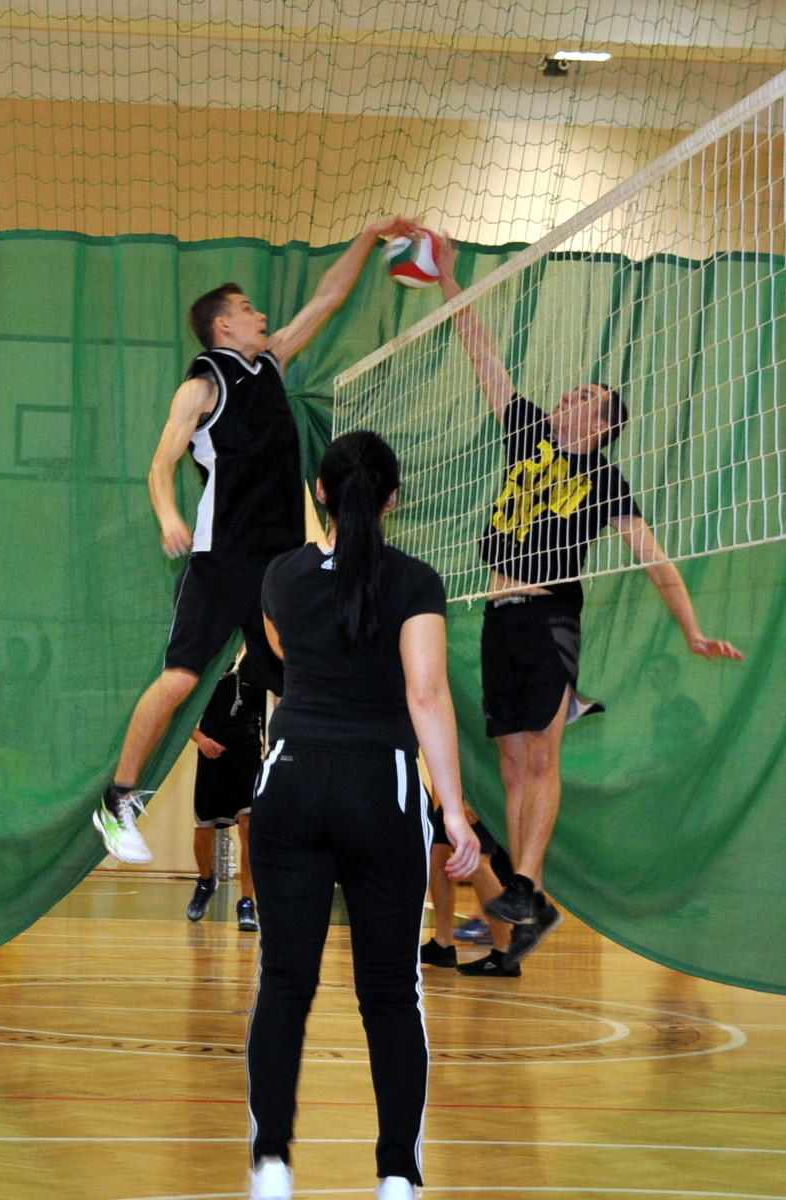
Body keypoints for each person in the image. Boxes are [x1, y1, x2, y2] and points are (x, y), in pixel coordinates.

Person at [433, 234, 744, 965]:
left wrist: (692, 630)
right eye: (571, 391)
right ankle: (528, 904)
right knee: (512, 764)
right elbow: (483, 354)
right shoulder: (525, 433)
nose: (568, 397)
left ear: (601, 427)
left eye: (584, 399)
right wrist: (447, 278)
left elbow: (654, 558)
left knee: (542, 757)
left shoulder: (606, 480)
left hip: (549, 615)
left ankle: (527, 884)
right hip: (498, 613)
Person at [93, 216, 422, 864]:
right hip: (222, 558)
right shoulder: (201, 387)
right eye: (247, 309)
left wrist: (368, 235)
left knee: (303, 676)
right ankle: (117, 799)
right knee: (180, 679)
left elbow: (327, 298)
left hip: (281, 562)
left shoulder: (271, 364)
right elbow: (161, 464)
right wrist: (168, 516)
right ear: (223, 325)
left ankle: (327, 800)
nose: (261, 315)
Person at [245, 431, 480, 1200]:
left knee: (285, 980)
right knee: (389, 993)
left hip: (290, 782)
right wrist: (454, 813)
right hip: (379, 787)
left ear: (320, 491)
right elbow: (425, 694)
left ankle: (271, 1164)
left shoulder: (280, 575)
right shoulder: (413, 580)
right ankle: (397, 1176)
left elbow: (286, 655)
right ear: (393, 499)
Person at [186, 650, 264, 929]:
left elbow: (272, 710)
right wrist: (200, 739)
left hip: (247, 755)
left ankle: (247, 903)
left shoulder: (257, 664)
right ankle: (206, 882)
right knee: (203, 832)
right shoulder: (209, 664)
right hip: (211, 755)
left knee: (248, 828)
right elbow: (182, 713)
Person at [420, 800, 524, 978]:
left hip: (477, 792)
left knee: (477, 859)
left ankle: (505, 952)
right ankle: (442, 944)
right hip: (461, 792)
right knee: (437, 850)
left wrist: (470, 799)